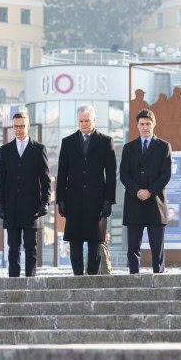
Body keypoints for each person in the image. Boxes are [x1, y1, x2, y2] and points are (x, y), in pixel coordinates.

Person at [56, 104, 116, 276]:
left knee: (95, 241)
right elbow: (62, 173)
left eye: (87, 121)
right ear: (77, 121)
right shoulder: (67, 142)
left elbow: (111, 174)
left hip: (97, 200)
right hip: (73, 199)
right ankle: (77, 277)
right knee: (74, 241)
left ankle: (92, 278)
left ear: (94, 120)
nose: (84, 124)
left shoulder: (105, 141)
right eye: (81, 121)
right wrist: (61, 199)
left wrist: (108, 201)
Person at [0, 113, 50, 277]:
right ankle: (13, 282)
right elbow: (0, 180)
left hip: (32, 207)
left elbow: (46, 179)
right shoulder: (5, 150)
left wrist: (44, 203)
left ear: (28, 126)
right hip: (11, 207)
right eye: (15, 126)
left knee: (30, 247)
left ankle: (30, 281)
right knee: (13, 247)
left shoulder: (39, 149)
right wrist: (0, 205)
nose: (18, 129)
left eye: (21, 126)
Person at [120, 108, 172, 274]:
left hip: (155, 203)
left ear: (154, 124)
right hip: (134, 203)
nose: (145, 127)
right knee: (133, 248)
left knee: (157, 248)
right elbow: (124, 174)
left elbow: (166, 174)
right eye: (142, 124)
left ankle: (159, 277)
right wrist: (138, 191)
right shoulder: (129, 148)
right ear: (137, 125)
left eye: (148, 124)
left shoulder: (164, 146)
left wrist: (149, 191)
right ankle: (133, 278)